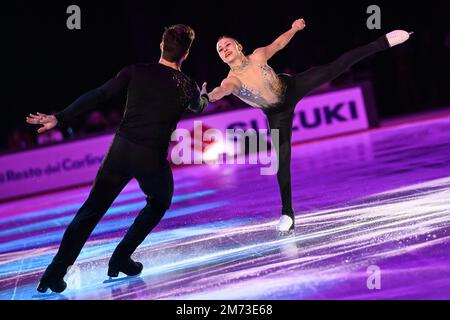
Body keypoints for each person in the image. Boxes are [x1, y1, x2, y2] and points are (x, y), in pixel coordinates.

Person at [26, 24, 209, 293]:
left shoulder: (135, 71)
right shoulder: (188, 86)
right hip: (150, 158)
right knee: (159, 201)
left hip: (120, 151)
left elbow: (99, 95)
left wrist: (60, 117)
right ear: (187, 53)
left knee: (90, 211)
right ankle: (122, 257)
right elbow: (199, 106)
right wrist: (204, 95)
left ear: (161, 45)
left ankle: (53, 274)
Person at [207, 18, 412, 235]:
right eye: (220, 49)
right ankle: (287, 214)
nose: (224, 49)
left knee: (337, 66)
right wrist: (209, 96)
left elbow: (278, 44)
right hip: (277, 113)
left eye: (227, 45)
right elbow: (223, 90)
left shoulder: (258, 55)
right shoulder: (231, 80)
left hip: (291, 87)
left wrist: (294, 29)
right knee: (282, 162)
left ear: (238, 46)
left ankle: (383, 42)